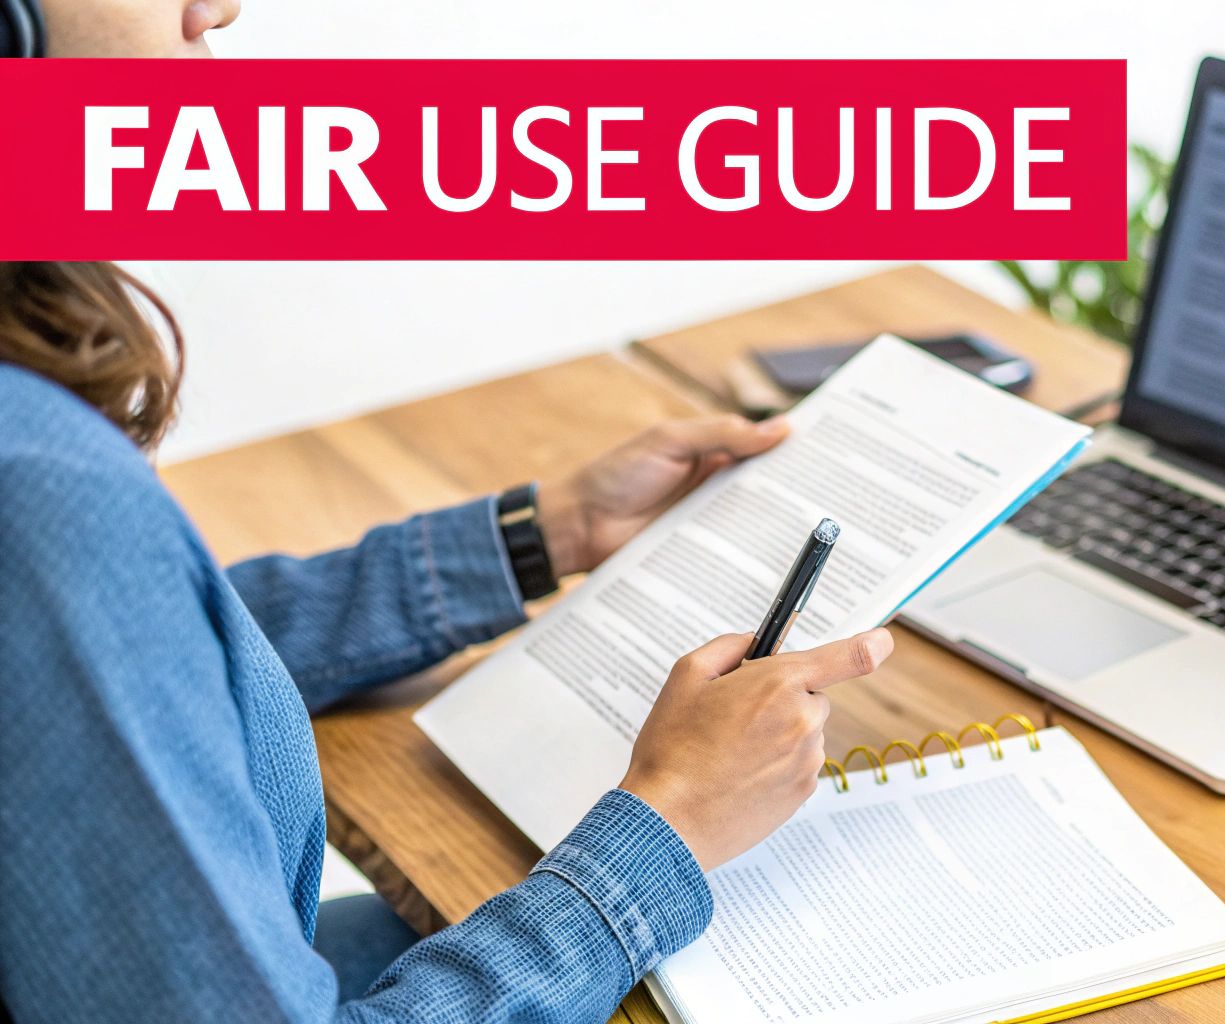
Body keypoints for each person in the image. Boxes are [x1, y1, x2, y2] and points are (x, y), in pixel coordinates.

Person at [0, 43, 893, 1024]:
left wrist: (537, 536)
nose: (218, 10)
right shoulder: (39, 488)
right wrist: (668, 825)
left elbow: (144, 642)